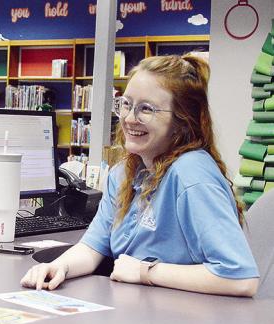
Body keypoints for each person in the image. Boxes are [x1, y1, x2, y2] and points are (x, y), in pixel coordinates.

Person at [21, 54, 260, 297]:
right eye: (126, 104)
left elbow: (240, 278)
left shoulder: (191, 175)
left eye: (146, 109)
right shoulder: (124, 172)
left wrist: (145, 272)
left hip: (189, 322)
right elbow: (92, 248)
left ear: (182, 121)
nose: (129, 118)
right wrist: (58, 267)